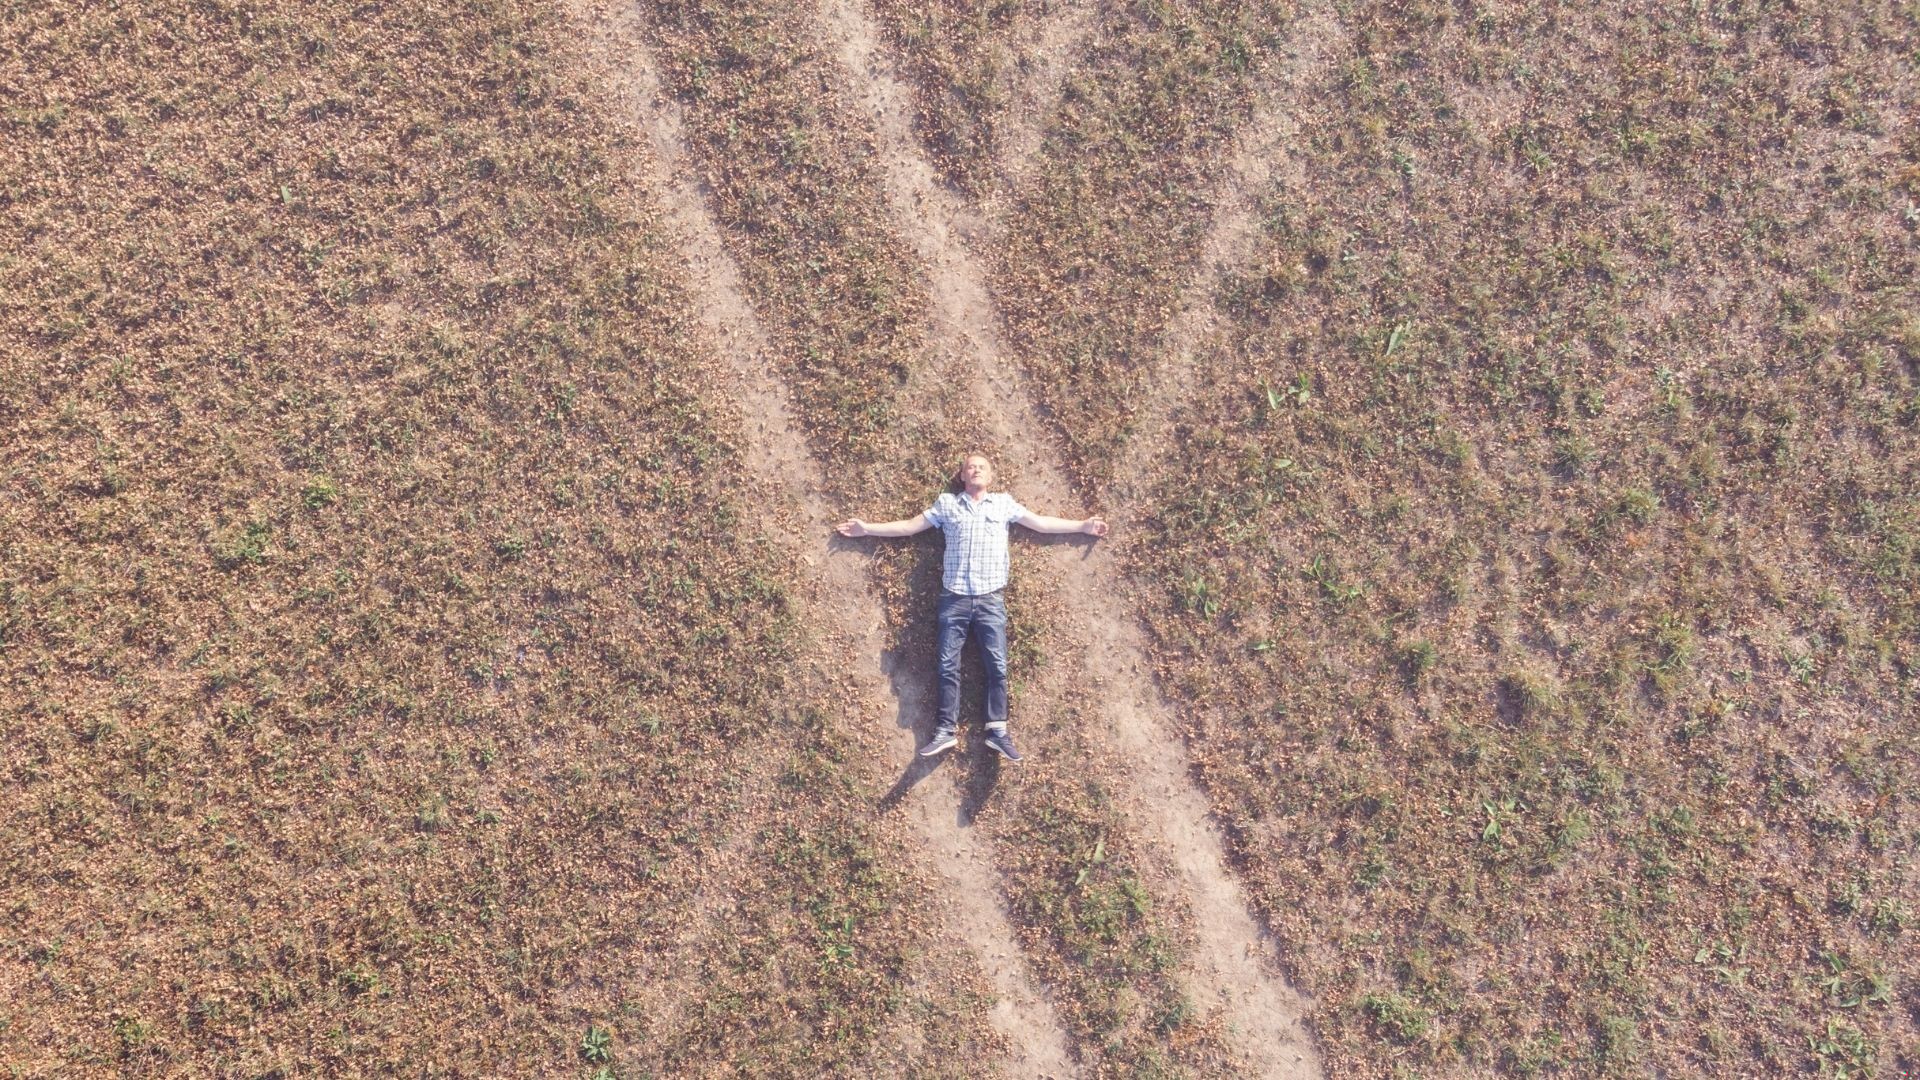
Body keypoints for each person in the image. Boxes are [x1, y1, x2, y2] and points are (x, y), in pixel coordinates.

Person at [836, 454, 1108, 762]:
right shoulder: (947, 504)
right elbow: (910, 527)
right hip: (954, 598)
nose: (976, 469)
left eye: (982, 467)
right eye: (970, 467)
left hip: (990, 598)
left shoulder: (1003, 504)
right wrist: (867, 529)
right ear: (962, 476)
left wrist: (1083, 526)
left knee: (997, 665)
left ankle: (998, 732)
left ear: (990, 477)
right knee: (946, 664)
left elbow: (1041, 524)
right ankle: (945, 731)